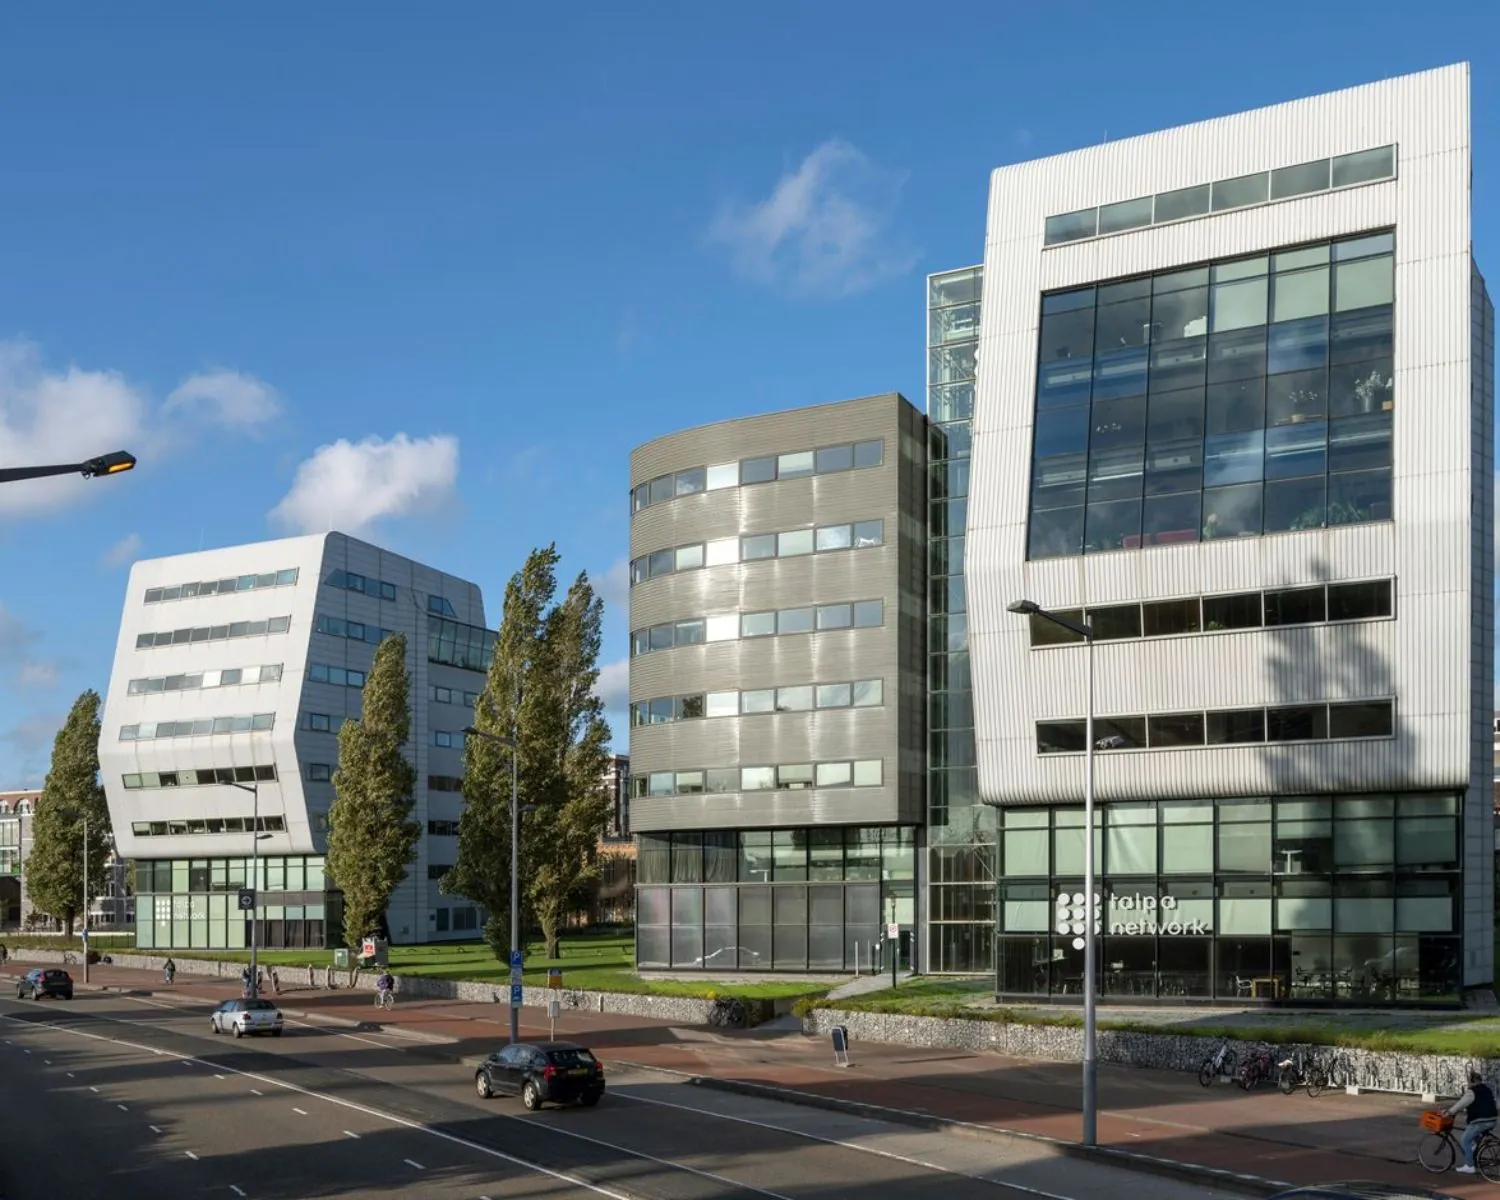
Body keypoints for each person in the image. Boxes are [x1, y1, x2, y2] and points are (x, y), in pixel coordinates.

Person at [1446, 1069, 1497, 1173]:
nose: (1468, 1084)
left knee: (1465, 1140)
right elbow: (1482, 1104)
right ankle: (1474, 1151)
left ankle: (1469, 1165)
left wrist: (1450, 1112)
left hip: (1481, 1121)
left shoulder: (1472, 1091)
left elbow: (1461, 1103)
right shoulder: (1487, 1089)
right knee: (1473, 1134)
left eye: (1469, 1081)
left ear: (1473, 1081)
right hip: (1492, 1120)